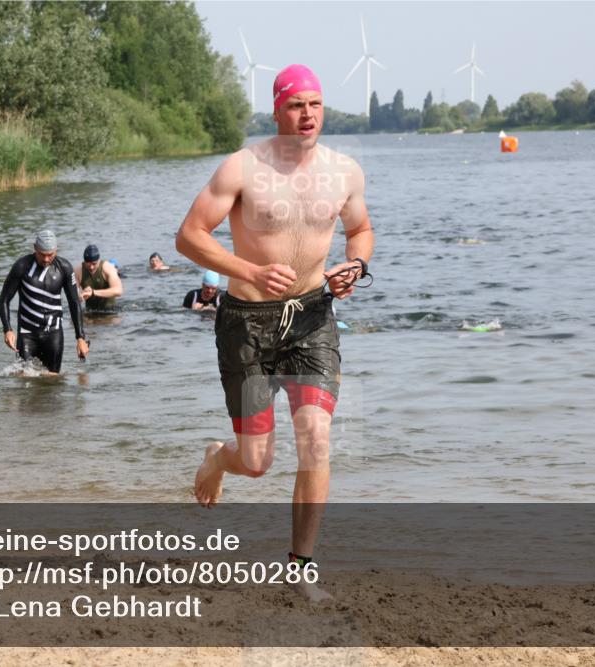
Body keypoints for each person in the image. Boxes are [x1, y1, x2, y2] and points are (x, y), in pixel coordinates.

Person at [175, 64, 374, 594]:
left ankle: (300, 568)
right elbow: (189, 236)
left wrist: (353, 267)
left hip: (312, 317)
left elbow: (360, 230)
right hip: (246, 323)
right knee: (257, 462)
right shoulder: (242, 168)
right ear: (276, 109)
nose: (306, 115)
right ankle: (220, 457)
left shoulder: (345, 172)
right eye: (295, 105)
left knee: (315, 438)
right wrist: (249, 271)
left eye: (314, 103)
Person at [0, 230, 89, 373]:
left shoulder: (64, 268)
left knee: (52, 381)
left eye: (50, 254)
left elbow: (74, 303)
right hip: (27, 333)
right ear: (35, 248)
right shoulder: (21, 266)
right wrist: (7, 330)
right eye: (42, 254)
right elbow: (4, 300)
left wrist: (80, 338)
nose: (46, 259)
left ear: (56, 250)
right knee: (25, 379)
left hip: (53, 333)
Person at [74, 244, 123, 315]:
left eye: (94, 264)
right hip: (90, 311)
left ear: (99, 260)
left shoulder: (107, 268)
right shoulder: (78, 271)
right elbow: (73, 296)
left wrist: (93, 292)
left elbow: (118, 291)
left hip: (110, 311)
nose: (91, 267)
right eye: (88, 264)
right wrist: (81, 295)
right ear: (84, 261)